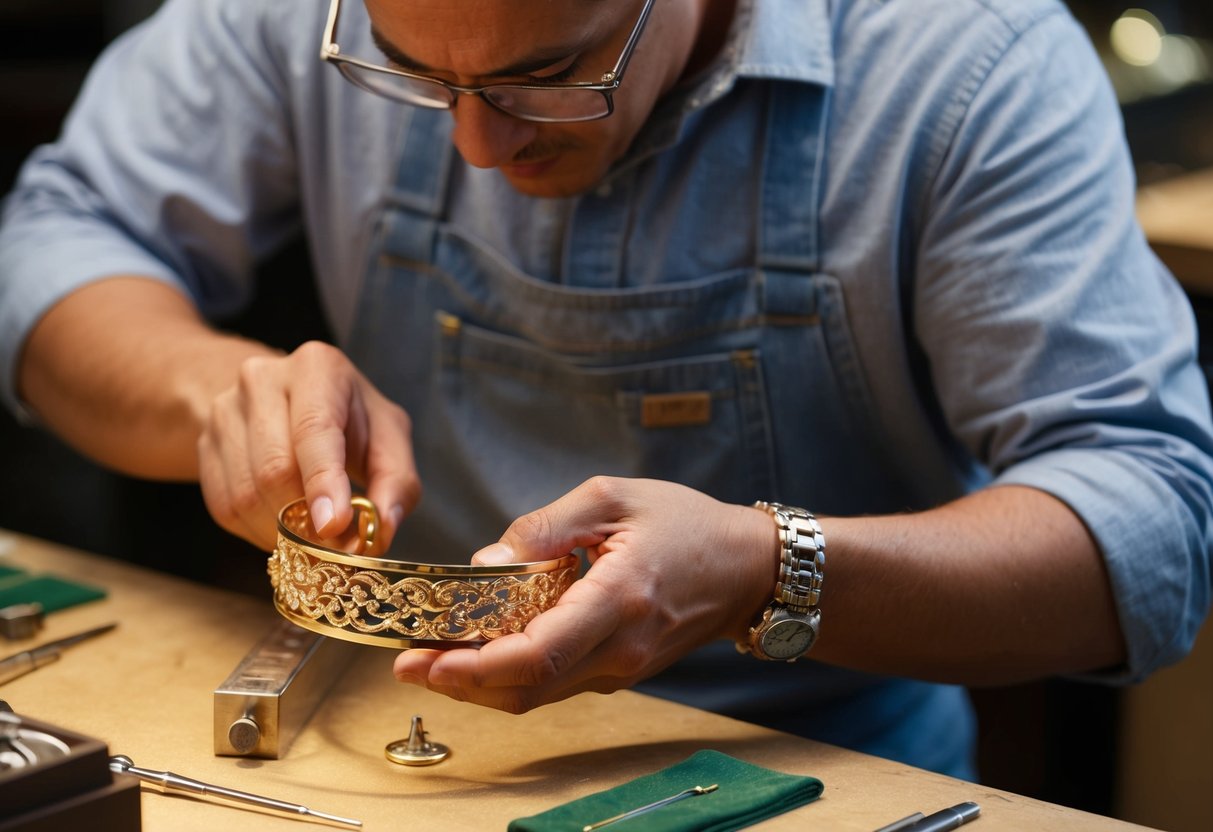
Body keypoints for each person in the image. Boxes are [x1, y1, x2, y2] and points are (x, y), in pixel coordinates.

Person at [2, 0, 1211, 782]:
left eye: (553, 73)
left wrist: (762, 568)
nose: (478, 149)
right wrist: (216, 389)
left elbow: (1149, 531)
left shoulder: (969, 61)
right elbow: (51, 241)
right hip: (403, 753)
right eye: (414, 75)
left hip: (814, 775)